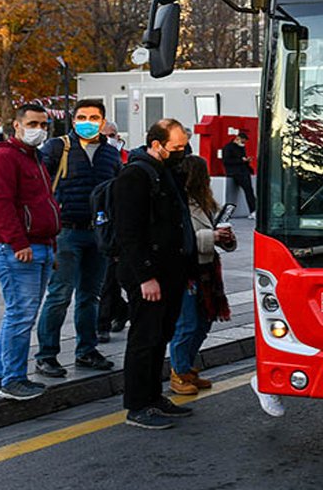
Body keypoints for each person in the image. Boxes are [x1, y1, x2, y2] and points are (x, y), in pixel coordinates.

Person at [113, 119, 196, 429]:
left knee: (161, 335)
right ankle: (137, 405)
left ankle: (154, 396)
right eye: (177, 147)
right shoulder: (135, 175)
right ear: (157, 144)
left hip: (171, 270)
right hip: (147, 274)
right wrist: (145, 275)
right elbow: (129, 232)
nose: (183, 152)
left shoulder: (167, 172)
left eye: (184, 146)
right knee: (144, 338)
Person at [33, 100, 123, 378]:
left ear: (102, 121)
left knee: (90, 296)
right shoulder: (57, 148)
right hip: (66, 232)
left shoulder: (110, 154)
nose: (87, 121)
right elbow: (37, 185)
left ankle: (87, 350)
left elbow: (116, 193)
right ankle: (46, 355)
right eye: (82, 117)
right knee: (59, 295)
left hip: (97, 233)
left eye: (94, 117)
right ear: (72, 121)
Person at [0, 103, 60, 401]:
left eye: (43, 124)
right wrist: (19, 244)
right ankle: (12, 379)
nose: (38, 129)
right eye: (33, 123)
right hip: (14, 247)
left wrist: (50, 246)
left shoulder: (33, 157)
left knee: (21, 314)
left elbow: (44, 202)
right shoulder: (4, 157)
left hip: (39, 245)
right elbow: (0, 206)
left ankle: (1, 375)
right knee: (21, 314)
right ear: (16, 125)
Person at [168, 156, 235, 395]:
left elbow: (211, 234)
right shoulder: (178, 204)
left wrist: (226, 239)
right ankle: (178, 371)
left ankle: (186, 367)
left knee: (204, 322)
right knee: (186, 323)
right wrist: (212, 237)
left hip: (207, 268)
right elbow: (178, 240)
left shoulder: (205, 202)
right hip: (187, 270)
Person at [97, 120, 129, 343]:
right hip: (94, 222)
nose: (112, 138)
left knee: (109, 279)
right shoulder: (95, 158)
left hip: (114, 225)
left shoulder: (123, 157)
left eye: (114, 134)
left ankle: (102, 324)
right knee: (101, 281)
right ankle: (120, 311)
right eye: (107, 134)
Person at [221, 131, 257, 219]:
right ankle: (252, 210)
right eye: (243, 141)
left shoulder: (239, 148)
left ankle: (253, 210)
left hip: (240, 172)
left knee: (249, 192)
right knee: (248, 192)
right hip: (236, 173)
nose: (244, 143)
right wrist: (242, 161)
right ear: (237, 139)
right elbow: (226, 161)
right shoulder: (228, 148)